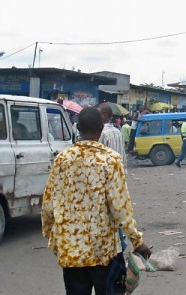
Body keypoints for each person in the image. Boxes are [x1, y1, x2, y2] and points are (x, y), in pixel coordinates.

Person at [41, 107, 151, 294]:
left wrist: (52, 236)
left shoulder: (62, 159)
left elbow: (48, 204)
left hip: (71, 248)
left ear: (77, 128)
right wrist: (137, 240)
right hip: (103, 250)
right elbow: (120, 208)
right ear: (101, 129)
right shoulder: (110, 160)